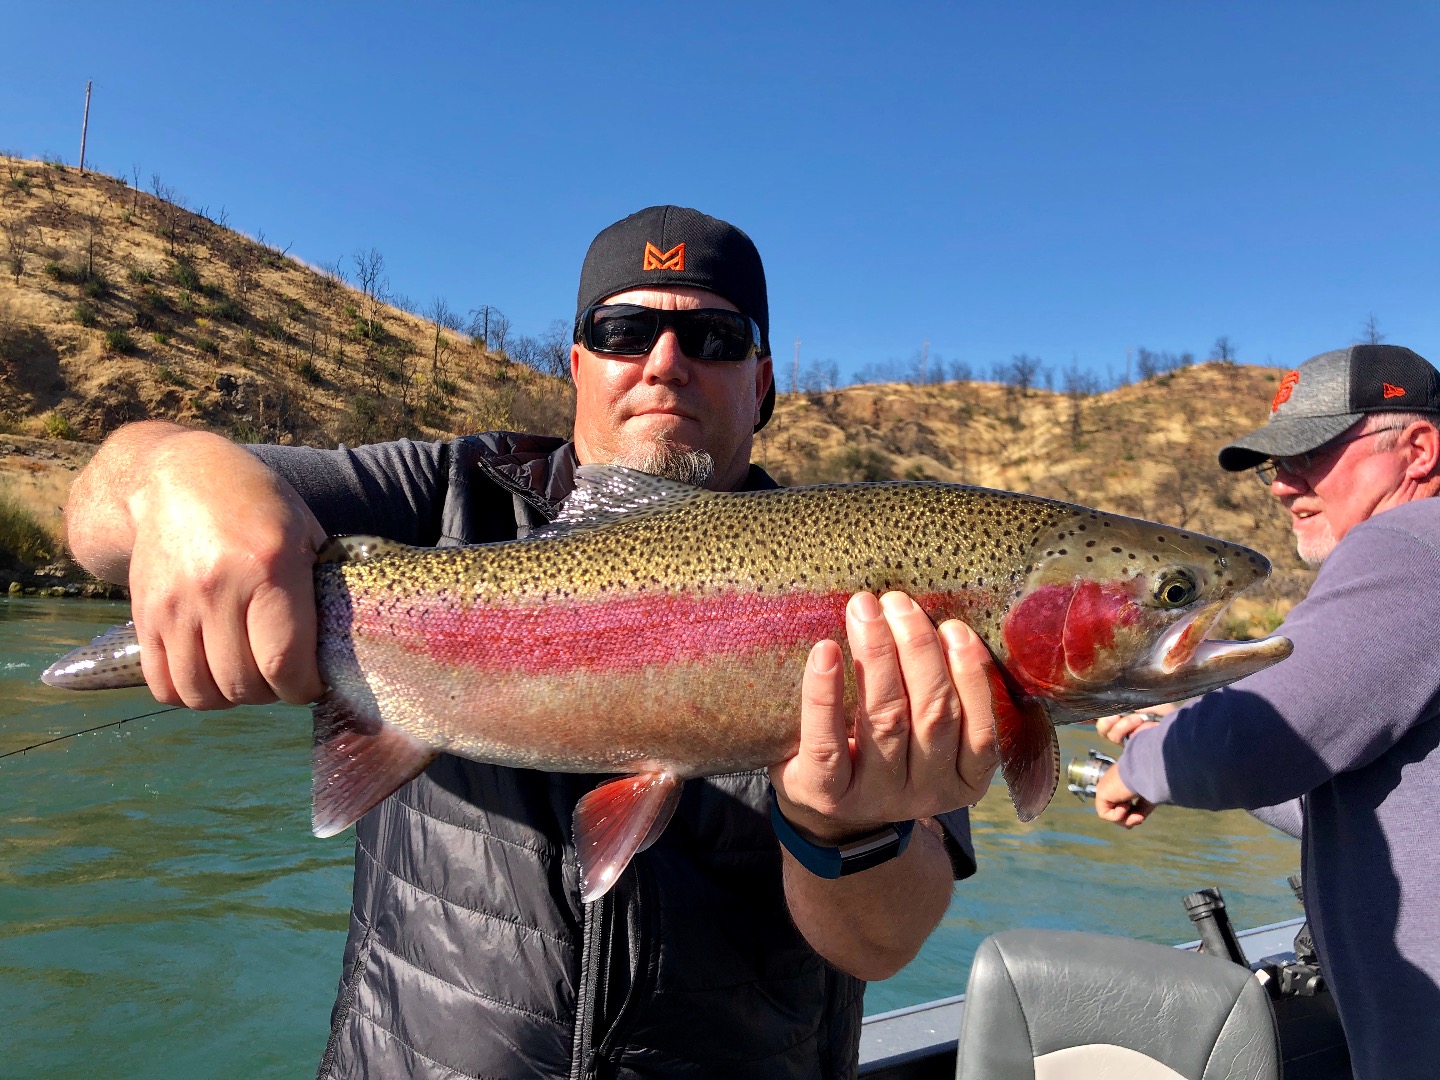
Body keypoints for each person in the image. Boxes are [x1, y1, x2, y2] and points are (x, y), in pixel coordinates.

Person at [64, 205, 1002, 1080]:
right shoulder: (441, 496)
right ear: (577, 363)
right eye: (624, 333)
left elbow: (882, 944)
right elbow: (98, 515)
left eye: (714, 339)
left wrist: (849, 828)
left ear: (762, 383)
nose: (665, 363)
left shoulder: (869, 566)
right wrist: (174, 473)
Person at [1092, 343, 1440, 1079]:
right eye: (1272, 465)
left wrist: (1140, 766)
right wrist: (1168, 732)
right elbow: (1361, 800)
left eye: (1310, 454)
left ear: (1417, 449)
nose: (1282, 487)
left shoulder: (1411, 543)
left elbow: (1246, 748)